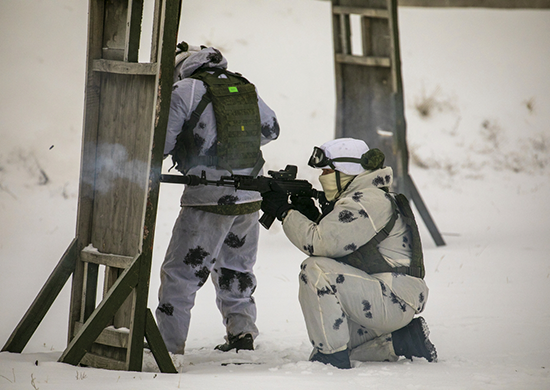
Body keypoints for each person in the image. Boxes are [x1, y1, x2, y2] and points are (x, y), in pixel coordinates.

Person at [260, 138, 436, 369]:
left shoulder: (366, 201)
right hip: (389, 298)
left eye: (327, 170)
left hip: (390, 299)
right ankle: (401, 342)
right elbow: (342, 245)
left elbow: (319, 243)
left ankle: (330, 357)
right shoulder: (366, 196)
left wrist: (285, 212)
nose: (322, 176)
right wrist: (311, 215)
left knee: (315, 271)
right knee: (348, 346)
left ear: (346, 170)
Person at [156, 42, 280, 354]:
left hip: (208, 198)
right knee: (236, 270)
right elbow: (271, 130)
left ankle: (168, 348)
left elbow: (161, 144)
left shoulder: (186, 90)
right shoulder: (242, 84)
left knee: (182, 274)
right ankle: (242, 336)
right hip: (250, 195)